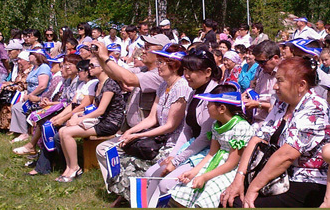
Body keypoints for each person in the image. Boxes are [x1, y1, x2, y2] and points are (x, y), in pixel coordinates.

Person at [221, 57, 329, 208]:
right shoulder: (282, 103)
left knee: (241, 204)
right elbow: (258, 138)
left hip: (304, 180)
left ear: (301, 85)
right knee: (228, 197)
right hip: (274, 175)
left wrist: (253, 188)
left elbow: (287, 154)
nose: (275, 87)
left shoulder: (315, 107)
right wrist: (239, 178)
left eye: (280, 81)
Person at [104, 46, 193, 206]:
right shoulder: (163, 86)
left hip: (173, 143)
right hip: (159, 139)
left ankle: (135, 199)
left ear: (175, 65)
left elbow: (170, 126)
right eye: (158, 61)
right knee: (121, 155)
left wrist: (137, 136)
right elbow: (152, 118)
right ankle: (131, 197)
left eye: (162, 62)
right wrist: (129, 132)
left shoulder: (182, 87)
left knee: (130, 161)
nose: (158, 65)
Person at [144, 47, 222, 206]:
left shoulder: (214, 96)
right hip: (191, 147)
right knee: (151, 173)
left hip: (209, 152)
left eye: (191, 71)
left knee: (166, 184)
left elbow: (204, 138)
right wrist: (172, 156)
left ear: (207, 72)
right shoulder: (194, 92)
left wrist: (177, 160)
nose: (186, 75)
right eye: (185, 69)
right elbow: (187, 129)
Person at [170, 85, 254, 208]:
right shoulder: (216, 124)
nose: (206, 107)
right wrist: (194, 171)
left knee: (208, 192)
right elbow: (212, 153)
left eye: (209, 104)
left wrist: (204, 176)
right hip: (215, 162)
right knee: (183, 191)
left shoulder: (241, 127)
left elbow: (231, 163)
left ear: (222, 108)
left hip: (230, 170)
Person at [56, 57, 125, 182]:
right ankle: (69, 167)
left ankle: (75, 168)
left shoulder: (110, 85)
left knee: (67, 132)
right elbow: (94, 108)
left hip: (110, 123)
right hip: (101, 120)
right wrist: (79, 115)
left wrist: (79, 120)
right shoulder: (99, 84)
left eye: (92, 66)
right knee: (62, 131)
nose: (89, 68)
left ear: (102, 68)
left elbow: (100, 110)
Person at [9, 50, 51, 142]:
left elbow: (42, 85)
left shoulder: (44, 67)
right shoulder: (35, 68)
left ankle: (24, 133)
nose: (29, 56)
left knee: (19, 108)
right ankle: (22, 132)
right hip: (31, 97)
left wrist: (31, 95)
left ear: (37, 56)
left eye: (31, 54)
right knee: (16, 107)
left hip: (41, 97)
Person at [244, 40, 281, 127]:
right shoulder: (261, 71)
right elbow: (256, 93)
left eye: (262, 62)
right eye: (257, 62)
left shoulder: (284, 74)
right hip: (256, 120)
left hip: (271, 123)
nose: (260, 65)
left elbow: (282, 107)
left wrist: (258, 105)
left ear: (275, 58)